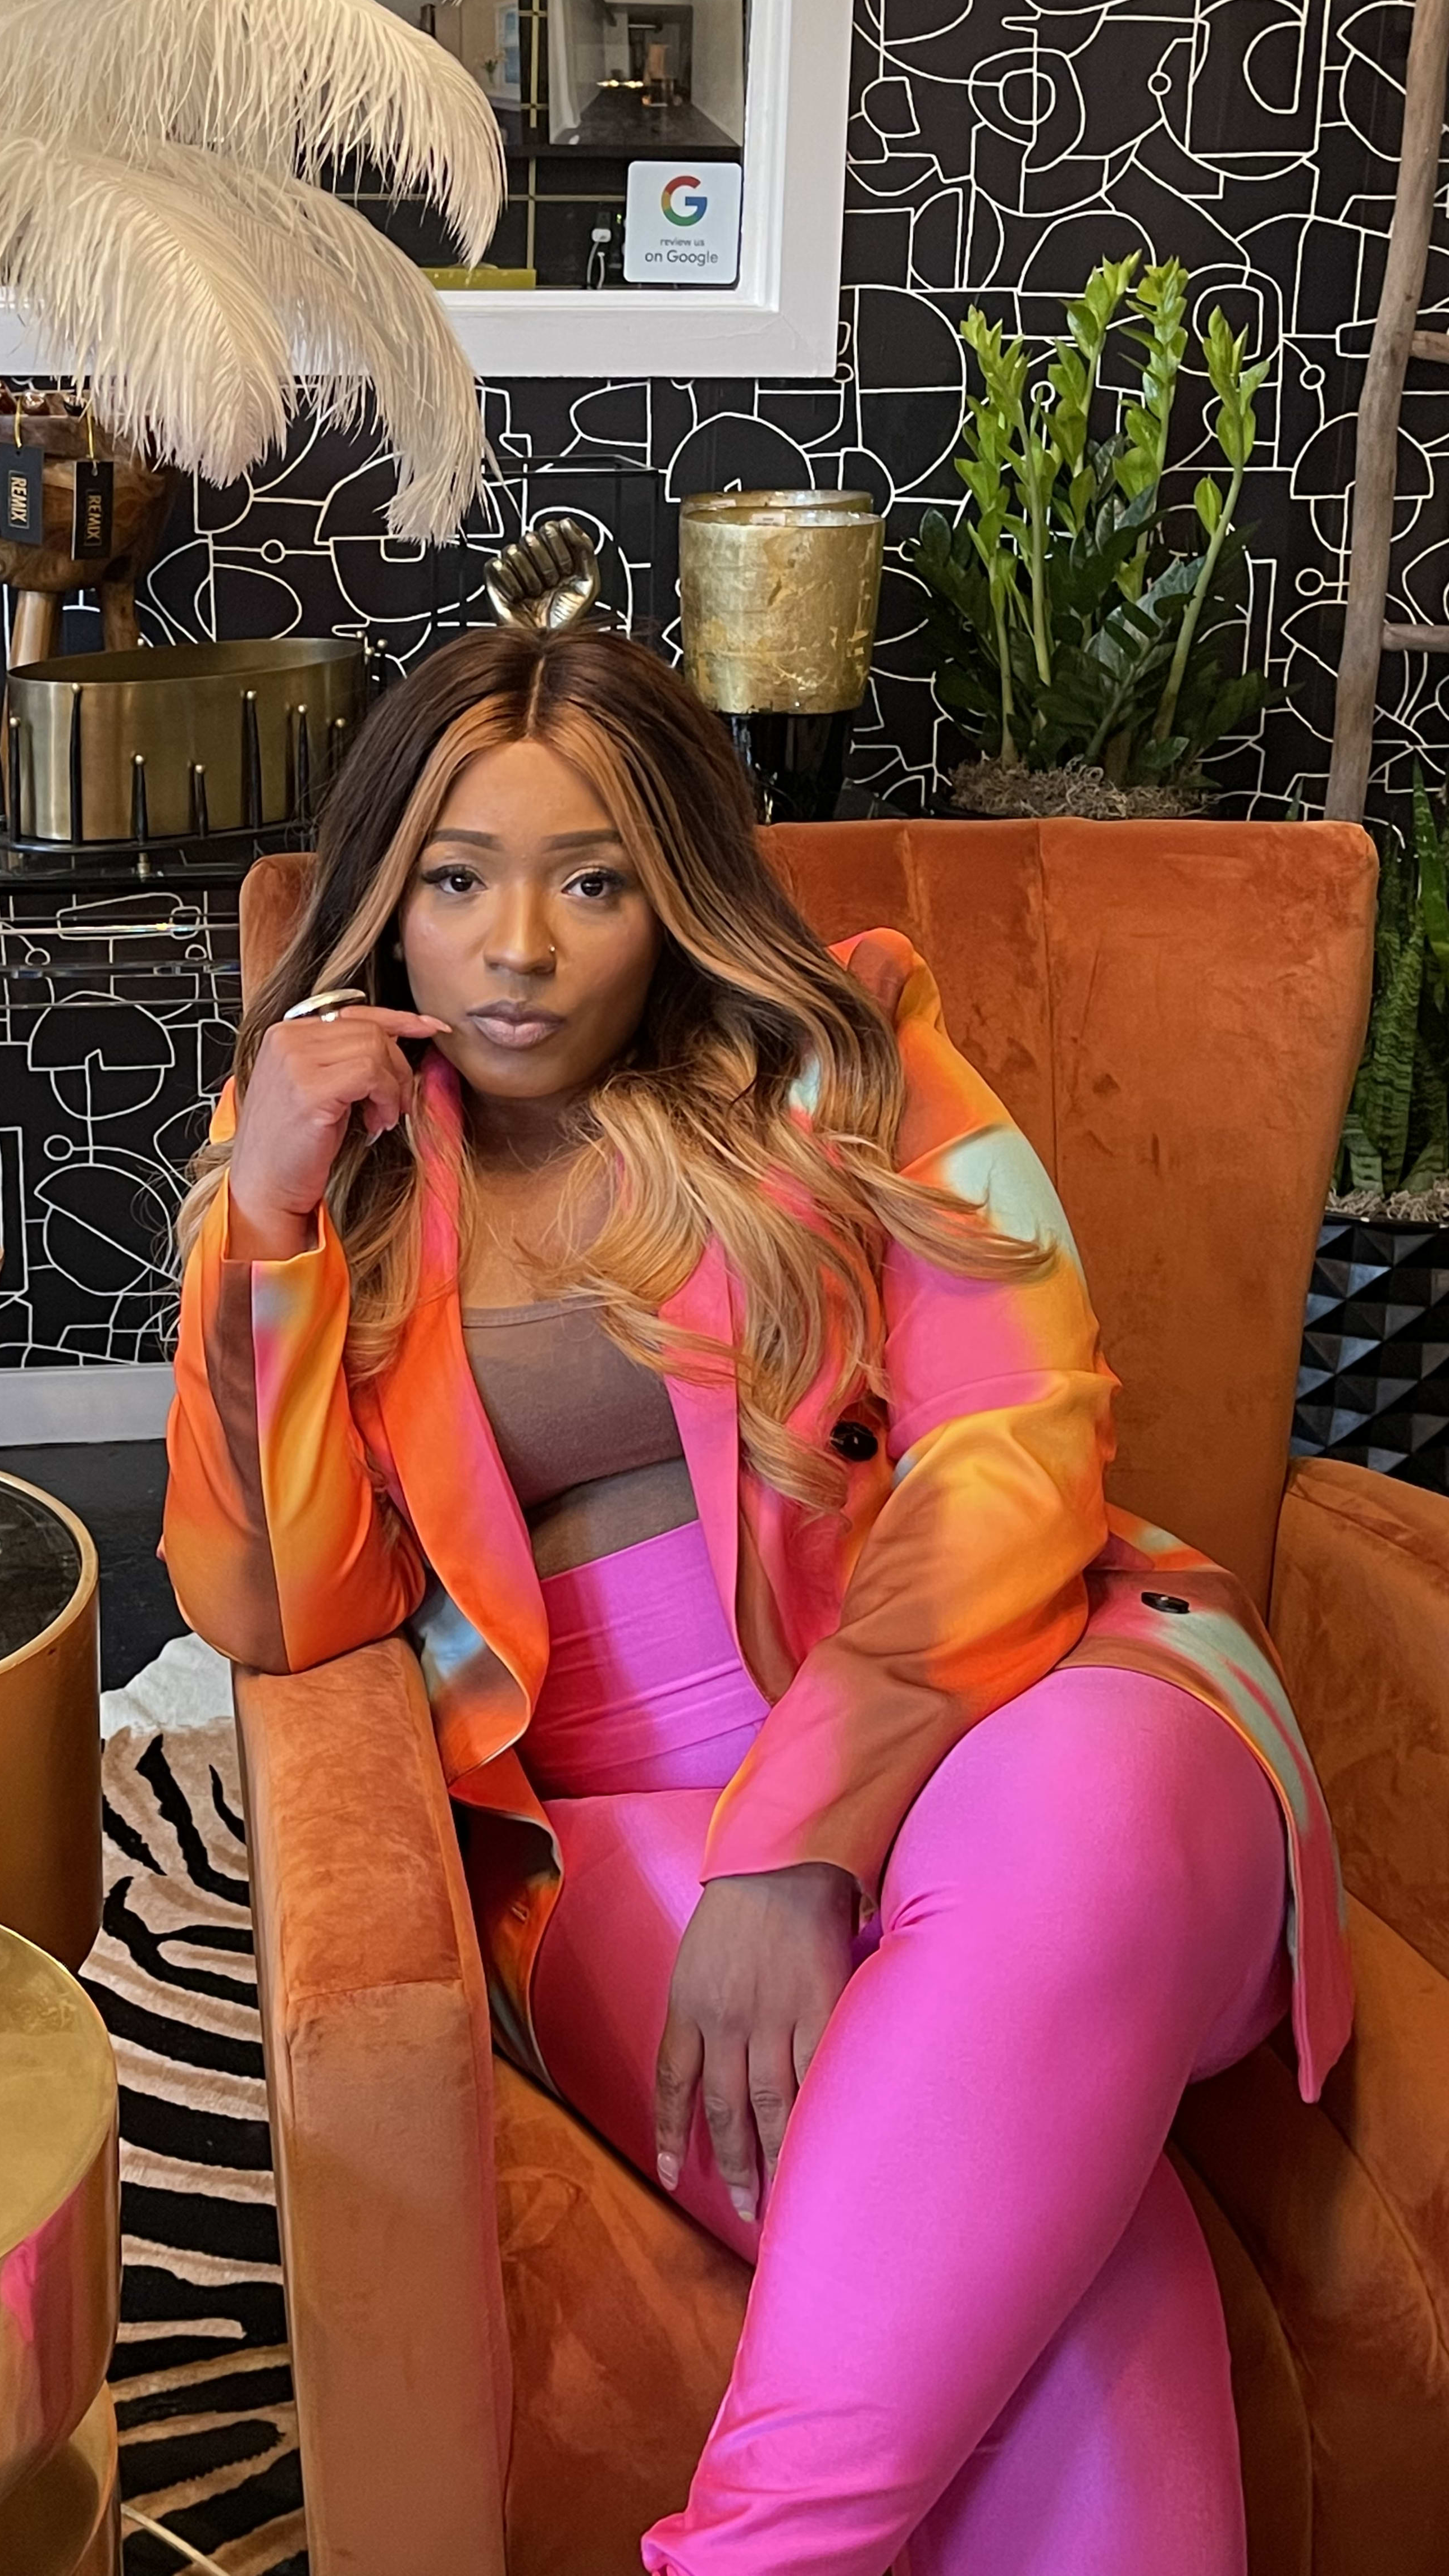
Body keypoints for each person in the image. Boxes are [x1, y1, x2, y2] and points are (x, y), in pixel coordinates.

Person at [162, 623, 1349, 2574]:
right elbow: (279, 1607)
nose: (521, 948)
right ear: (388, 903)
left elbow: (1019, 1437)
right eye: (458, 881)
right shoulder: (321, 1160)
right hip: (612, 1828)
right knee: (1065, 2271)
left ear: (677, 893)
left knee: (1094, 1810)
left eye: (594, 879)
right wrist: (273, 1228)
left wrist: (795, 1845)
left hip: (1019, 1697)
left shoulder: (856, 1058)